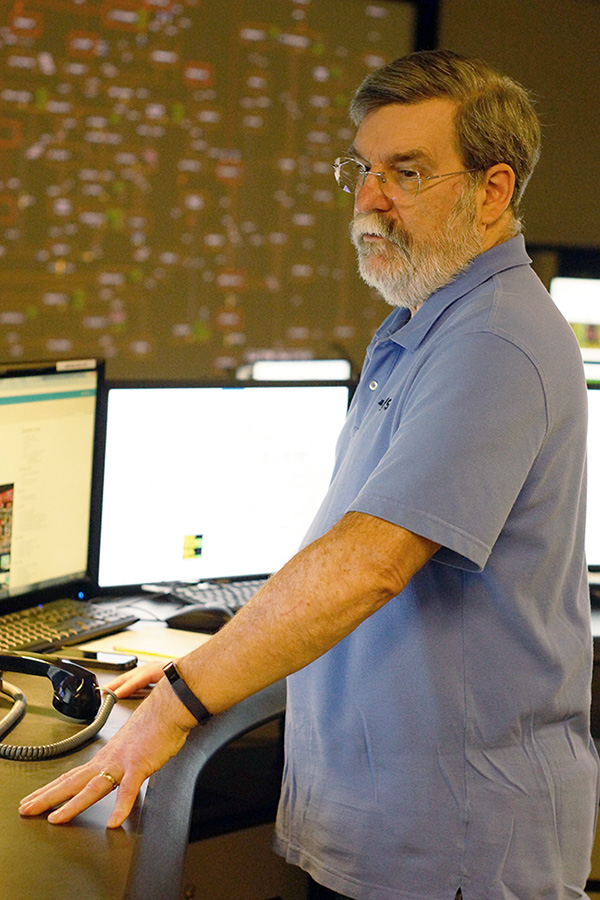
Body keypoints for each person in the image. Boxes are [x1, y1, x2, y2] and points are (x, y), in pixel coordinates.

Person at [19, 49, 599, 900]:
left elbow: (367, 564)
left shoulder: (493, 342)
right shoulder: (428, 323)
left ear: (493, 190)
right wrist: (218, 656)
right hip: (398, 827)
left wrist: (182, 698)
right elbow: (340, 550)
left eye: (406, 172)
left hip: (454, 847)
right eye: (364, 170)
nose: (370, 198)